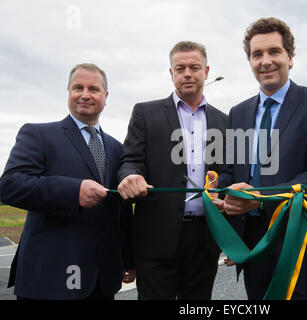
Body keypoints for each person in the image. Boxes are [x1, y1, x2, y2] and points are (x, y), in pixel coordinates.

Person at [210, 17, 307, 300]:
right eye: (257, 54)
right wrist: (219, 189)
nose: (265, 61)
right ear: (250, 62)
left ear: (290, 57)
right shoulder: (238, 113)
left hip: (301, 243)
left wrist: (259, 196)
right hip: (254, 245)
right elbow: (232, 172)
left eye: (274, 52)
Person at [0, 63, 134, 300]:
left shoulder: (117, 148)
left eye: (93, 89)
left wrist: (128, 259)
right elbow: (10, 185)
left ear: (105, 96)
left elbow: (120, 211)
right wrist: (73, 192)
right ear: (68, 92)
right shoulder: (38, 135)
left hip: (101, 282)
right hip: (49, 280)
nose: (85, 94)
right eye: (77, 88)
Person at [117, 41, 228, 300]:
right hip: (156, 236)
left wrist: (233, 236)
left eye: (194, 67)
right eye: (180, 68)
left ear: (206, 71)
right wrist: (129, 175)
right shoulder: (145, 113)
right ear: (171, 73)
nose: (187, 73)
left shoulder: (224, 121)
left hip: (205, 239)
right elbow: (130, 159)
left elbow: (229, 173)